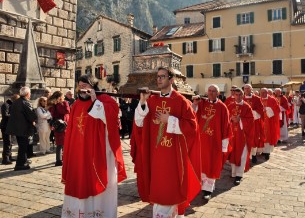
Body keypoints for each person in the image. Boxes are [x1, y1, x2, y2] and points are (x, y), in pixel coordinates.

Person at [132, 66, 201, 218]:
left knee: (169, 191)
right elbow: (139, 123)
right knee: (157, 191)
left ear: (171, 79)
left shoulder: (181, 101)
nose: (159, 79)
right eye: (158, 76)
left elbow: (192, 127)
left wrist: (169, 120)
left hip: (172, 157)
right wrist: (143, 102)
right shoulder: (152, 100)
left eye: (162, 76)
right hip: (155, 155)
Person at [61, 74, 127, 218]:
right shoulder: (76, 104)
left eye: (85, 85)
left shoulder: (105, 100)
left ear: (93, 86)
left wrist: (95, 101)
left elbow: (111, 118)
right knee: (79, 180)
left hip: (100, 151)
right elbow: (71, 129)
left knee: (98, 181)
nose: (82, 88)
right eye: (80, 85)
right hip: (79, 151)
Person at [192, 84, 231, 200]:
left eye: (214, 91)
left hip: (214, 142)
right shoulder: (202, 103)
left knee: (212, 165)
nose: (211, 93)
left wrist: (224, 146)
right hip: (201, 141)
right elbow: (193, 113)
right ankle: (200, 186)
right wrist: (195, 103)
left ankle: (207, 190)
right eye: (209, 91)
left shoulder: (222, 107)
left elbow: (226, 126)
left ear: (218, 93)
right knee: (201, 164)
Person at [6, 87, 37, 171]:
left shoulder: (16, 102)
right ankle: (20, 165)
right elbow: (31, 115)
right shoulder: (25, 102)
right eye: (29, 93)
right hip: (24, 128)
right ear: (27, 94)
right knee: (23, 147)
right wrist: (34, 120)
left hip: (17, 128)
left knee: (22, 146)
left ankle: (23, 161)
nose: (30, 95)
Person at [227, 88, 254, 185]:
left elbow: (251, 120)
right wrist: (231, 119)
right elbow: (226, 118)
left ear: (243, 96)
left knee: (242, 154)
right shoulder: (230, 106)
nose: (238, 97)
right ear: (233, 95)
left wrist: (240, 119)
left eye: (240, 95)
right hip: (233, 134)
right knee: (232, 152)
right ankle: (234, 172)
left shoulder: (247, 107)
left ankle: (239, 174)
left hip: (242, 135)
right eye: (236, 95)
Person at [243, 84, 264, 164]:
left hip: (254, 122)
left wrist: (252, 112)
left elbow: (261, 110)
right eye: (245, 88)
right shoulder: (242, 98)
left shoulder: (256, 99)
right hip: (244, 123)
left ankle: (254, 155)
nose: (247, 90)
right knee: (244, 139)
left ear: (251, 89)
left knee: (254, 138)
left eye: (248, 88)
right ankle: (246, 155)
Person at [48, 91, 70, 166]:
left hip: (57, 125)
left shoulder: (53, 104)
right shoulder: (60, 104)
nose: (64, 97)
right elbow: (67, 111)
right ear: (60, 97)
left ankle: (60, 159)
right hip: (62, 125)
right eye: (63, 96)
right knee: (61, 143)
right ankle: (60, 160)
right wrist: (62, 103)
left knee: (60, 143)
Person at [260, 88, 280, 160]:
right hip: (261, 121)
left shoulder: (272, 100)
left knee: (268, 136)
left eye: (264, 92)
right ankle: (262, 150)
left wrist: (267, 109)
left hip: (270, 121)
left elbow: (277, 109)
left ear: (267, 92)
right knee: (261, 136)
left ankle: (267, 152)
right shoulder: (259, 99)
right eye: (261, 92)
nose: (262, 94)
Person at [1, 94, 19, 164]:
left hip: (11, 126)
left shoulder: (12, 105)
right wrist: (14, 116)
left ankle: (9, 156)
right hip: (5, 126)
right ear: (14, 99)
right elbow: (5, 115)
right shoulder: (5, 105)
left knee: (11, 142)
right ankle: (5, 158)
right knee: (7, 142)